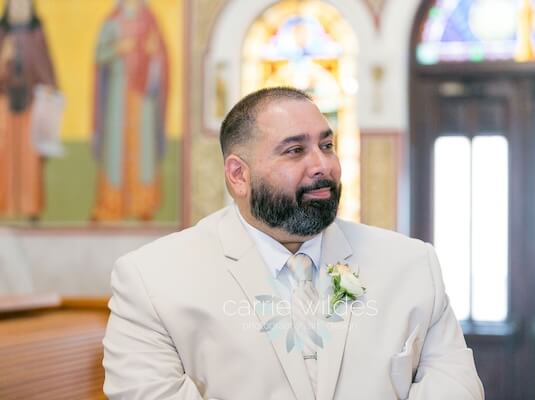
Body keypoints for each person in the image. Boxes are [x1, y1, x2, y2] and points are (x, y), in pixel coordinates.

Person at [103, 87, 484, 399]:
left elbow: (456, 388)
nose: (323, 166)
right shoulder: (151, 279)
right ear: (238, 175)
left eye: (328, 145)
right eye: (295, 150)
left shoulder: (412, 264)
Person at [91, 0, 169, 221]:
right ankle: (111, 204)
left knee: (143, 150)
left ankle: (143, 204)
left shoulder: (150, 21)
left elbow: (161, 56)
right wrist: (117, 48)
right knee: (116, 150)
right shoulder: (112, 22)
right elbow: (99, 55)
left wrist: (155, 55)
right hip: (117, 95)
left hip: (143, 97)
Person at [0, 0, 56, 221]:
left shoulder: (36, 34)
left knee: (30, 157)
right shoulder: (3, 33)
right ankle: (4, 204)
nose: (20, 9)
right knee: (4, 155)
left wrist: (50, 86)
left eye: (24, 5)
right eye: (15, 5)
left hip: (32, 104)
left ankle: (30, 207)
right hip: (4, 104)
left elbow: (45, 64)